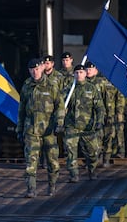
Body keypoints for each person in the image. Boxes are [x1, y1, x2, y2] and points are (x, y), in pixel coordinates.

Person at [16, 58, 65, 198]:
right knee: (31, 162)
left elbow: (60, 106)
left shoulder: (51, 85)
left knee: (52, 161)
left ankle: (52, 186)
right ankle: (31, 189)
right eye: (32, 70)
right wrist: (19, 129)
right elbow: (21, 110)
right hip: (31, 130)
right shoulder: (26, 86)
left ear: (42, 69)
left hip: (49, 130)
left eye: (37, 69)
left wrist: (59, 123)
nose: (34, 72)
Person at [63, 64, 105, 182]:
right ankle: (74, 174)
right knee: (71, 151)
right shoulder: (69, 89)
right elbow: (61, 107)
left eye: (81, 72)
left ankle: (92, 170)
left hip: (88, 126)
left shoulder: (92, 89)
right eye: (76, 73)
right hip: (71, 125)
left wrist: (99, 122)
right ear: (74, 74)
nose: (79, 75)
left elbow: (100, 107)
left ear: (85, 74)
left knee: (92, 152)